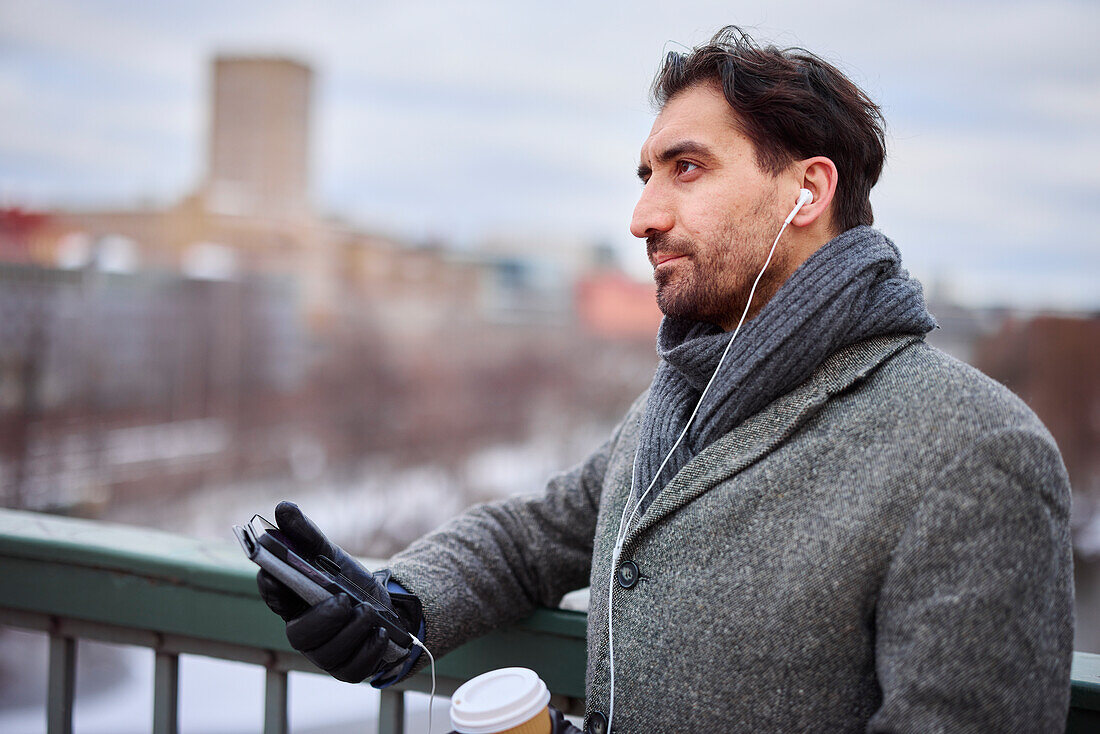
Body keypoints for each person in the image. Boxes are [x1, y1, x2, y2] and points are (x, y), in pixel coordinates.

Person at [257, 26, 1074, 733]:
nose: (643, 215)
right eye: (646, 175)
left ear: (807, 192)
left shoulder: (974, 451)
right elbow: (538, 535)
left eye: (686, 169)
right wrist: (399, 600)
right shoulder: (687, 393)